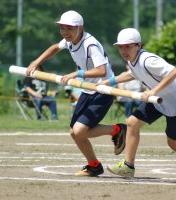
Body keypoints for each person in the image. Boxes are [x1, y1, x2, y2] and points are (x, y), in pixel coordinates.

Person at [26, 10, 126, 177]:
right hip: (87, 89)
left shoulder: (90, 44)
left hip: (103, 89)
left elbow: (101, 71)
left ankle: (117, 130)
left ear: (80, 28)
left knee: (79, 131)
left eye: (69, 29)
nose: (65, 32)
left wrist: (76, 74)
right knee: (74, 133)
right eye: (62, 28)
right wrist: (36, 62)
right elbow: (54, 48)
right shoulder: (70, 40)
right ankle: (94, 165)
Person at [99, 28, 176, 179]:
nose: (123, 50)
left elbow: (173, 72)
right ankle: (128, 167)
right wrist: (109, 82)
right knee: (132, 122)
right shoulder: (133, 61)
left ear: (138, 45)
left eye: (127, 46)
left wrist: (153, 91)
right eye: (120, 47)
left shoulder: (147, 60)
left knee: (174, 143)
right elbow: (132, 74)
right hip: (159, 99)